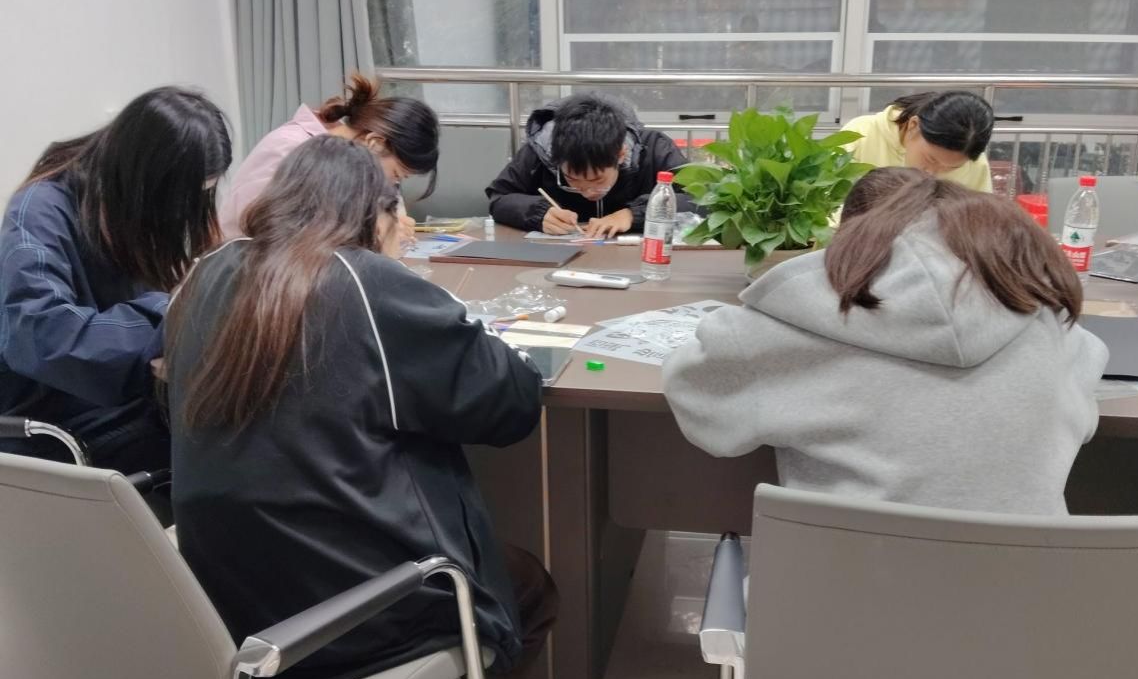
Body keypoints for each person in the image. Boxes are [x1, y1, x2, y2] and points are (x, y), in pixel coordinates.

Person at [164, 135, 557, 679]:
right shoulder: (369, 284)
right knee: (525, 589)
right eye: (396, 210)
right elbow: (510, 404)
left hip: (229, 604)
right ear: (371, 214)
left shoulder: (206, 275)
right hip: (354, 611)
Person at [664, 167, 1108, 515]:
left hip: (832, 600)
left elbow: (705, 415)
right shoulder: (1052, 328)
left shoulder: (783, 324)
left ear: (850, 237)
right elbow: (1085, 416)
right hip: (1025, 598)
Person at [0, 86, 231, 474]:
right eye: (184, 197)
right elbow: (44, 337)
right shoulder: (38, 213)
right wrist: (168, 322)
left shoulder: (128, 213)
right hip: (52, 423)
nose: (183, 213)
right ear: (146, 182)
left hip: (115, 405)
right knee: (216, 444)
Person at [221, 71, 439, 238]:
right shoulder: (289, 149)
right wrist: (370, 233)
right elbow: (262, 232)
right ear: (375, 142)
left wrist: (393, 223)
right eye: (396, 175)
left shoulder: (349, 161)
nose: (392, 185)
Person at [486, 92, 697, 238]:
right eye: (572, 179)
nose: (587, 192)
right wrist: (537, 213)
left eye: (597, 180)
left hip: (634, 261)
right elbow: (499, 197)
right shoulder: (539, 151)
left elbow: (703, 200)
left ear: (620, 154)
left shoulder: (655, 149)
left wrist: (634, 214)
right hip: (562, 261)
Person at [842, 91, 995, 192]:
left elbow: (979, 220)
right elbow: (831, 206)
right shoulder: (861, 133)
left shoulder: (974, 160)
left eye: (951, 168)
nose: (932, 173)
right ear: (913, 125)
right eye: (931, 159)